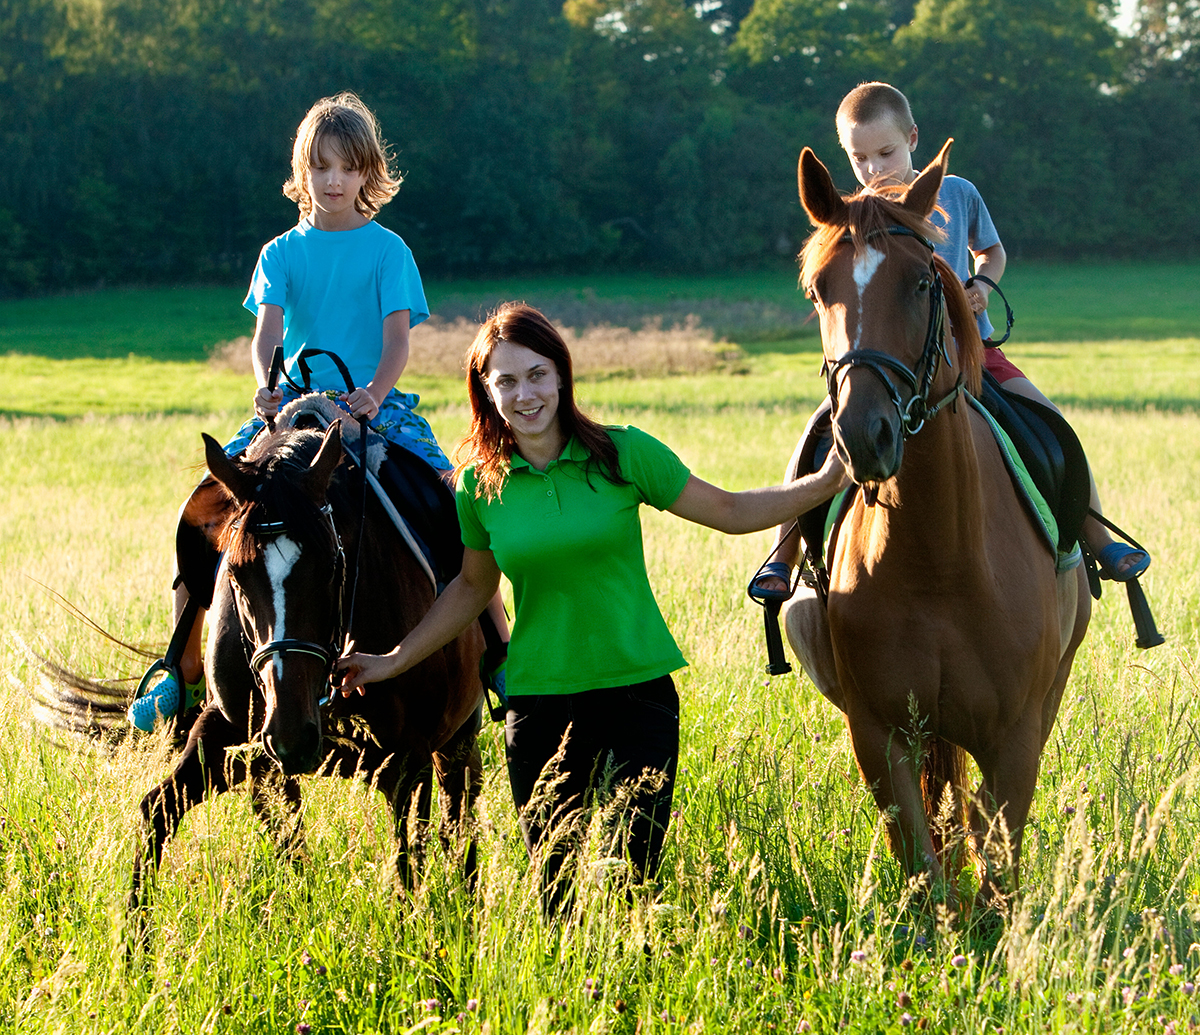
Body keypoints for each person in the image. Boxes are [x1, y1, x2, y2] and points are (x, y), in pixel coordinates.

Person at [335, 302, 848, 913]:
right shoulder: (478, 485)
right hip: (539, 702)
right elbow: (472, 589)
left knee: (638, 886)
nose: (525, 394)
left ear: (561, 376)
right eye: (506, 380)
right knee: (556, 895)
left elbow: (732, 512)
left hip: (638, 693)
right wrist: (392, 660)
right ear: (485, 389)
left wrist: (826, 481)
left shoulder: (622, 454)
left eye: (537, 375)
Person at [129, 92, 508, 731]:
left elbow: (397, 341)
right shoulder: (280, 253)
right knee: (201, 510)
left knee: (452, 501)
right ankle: (181, 668)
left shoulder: (390, 251)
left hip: (372, 409)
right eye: (321, 167)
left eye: (348, 167)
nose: (334, 182)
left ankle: (498, 647)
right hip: (292, 409)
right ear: (302, 173)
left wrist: (373, 397)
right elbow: (267, 334)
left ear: (369, 173)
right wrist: (266, 386)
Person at [749, 81, 1149, 600]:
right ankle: (783, 555)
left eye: (886, 152)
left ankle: (1096, 535)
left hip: (974, 352)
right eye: (859, 158)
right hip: (895, 363)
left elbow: (992, 252)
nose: (874, 170)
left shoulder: (956, 193)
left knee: (1050, 423)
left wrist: (981, 286)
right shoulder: (857, 214)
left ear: (913, 138)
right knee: (816, 434)